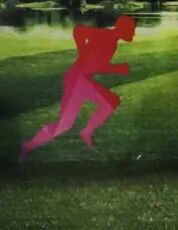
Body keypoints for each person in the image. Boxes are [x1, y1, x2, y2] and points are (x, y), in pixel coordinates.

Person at [20, 15, 136, 159]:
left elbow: (82, 37)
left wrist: (84, 54)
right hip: (77, 81)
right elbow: (79, 32)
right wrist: (116, 68)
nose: (133, 34)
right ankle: (28, 146)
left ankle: (86, 132)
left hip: (81, 80)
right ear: (123, 29)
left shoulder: (110, 38)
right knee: (64, 125)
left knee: (111, 102)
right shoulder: (107, 37)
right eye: (132, 30)